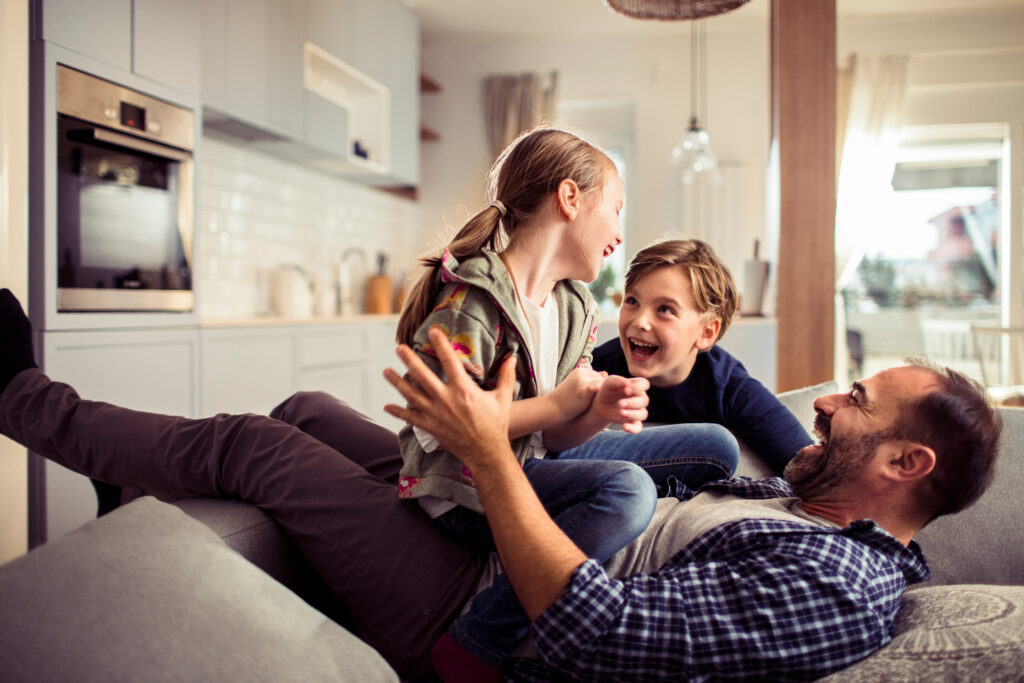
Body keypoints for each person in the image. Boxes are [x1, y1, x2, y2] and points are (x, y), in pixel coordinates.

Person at [0, 290, 1002, 680]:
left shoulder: (837, 582)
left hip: (482, 609)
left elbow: (603, 633)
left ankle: (20, 400)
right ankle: (117, 473)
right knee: (305, 407)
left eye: (858, 401)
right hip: (499, 537)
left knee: (254, 449)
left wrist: (488, 454)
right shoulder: (807, 507)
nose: (828, 401)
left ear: (905, 464)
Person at [393, 129, 728, 677]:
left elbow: (552, 440)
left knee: (716, 447)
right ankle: (477, 639)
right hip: (465, 490)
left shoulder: (573, 306)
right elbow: (442, 433)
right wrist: (557, 405)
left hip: (531, 463)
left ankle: (592, 515)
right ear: (570, 199)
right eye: (616, 210)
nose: (620, 232)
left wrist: (594, 412)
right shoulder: (471, 303)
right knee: (627, 489)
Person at [558, 238, 812, 485]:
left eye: (665, 310)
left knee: (719, 444)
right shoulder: (596, 366)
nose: (640, 322)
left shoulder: (731, 389)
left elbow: (807, 465)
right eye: (633, 301)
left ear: (706, 333)